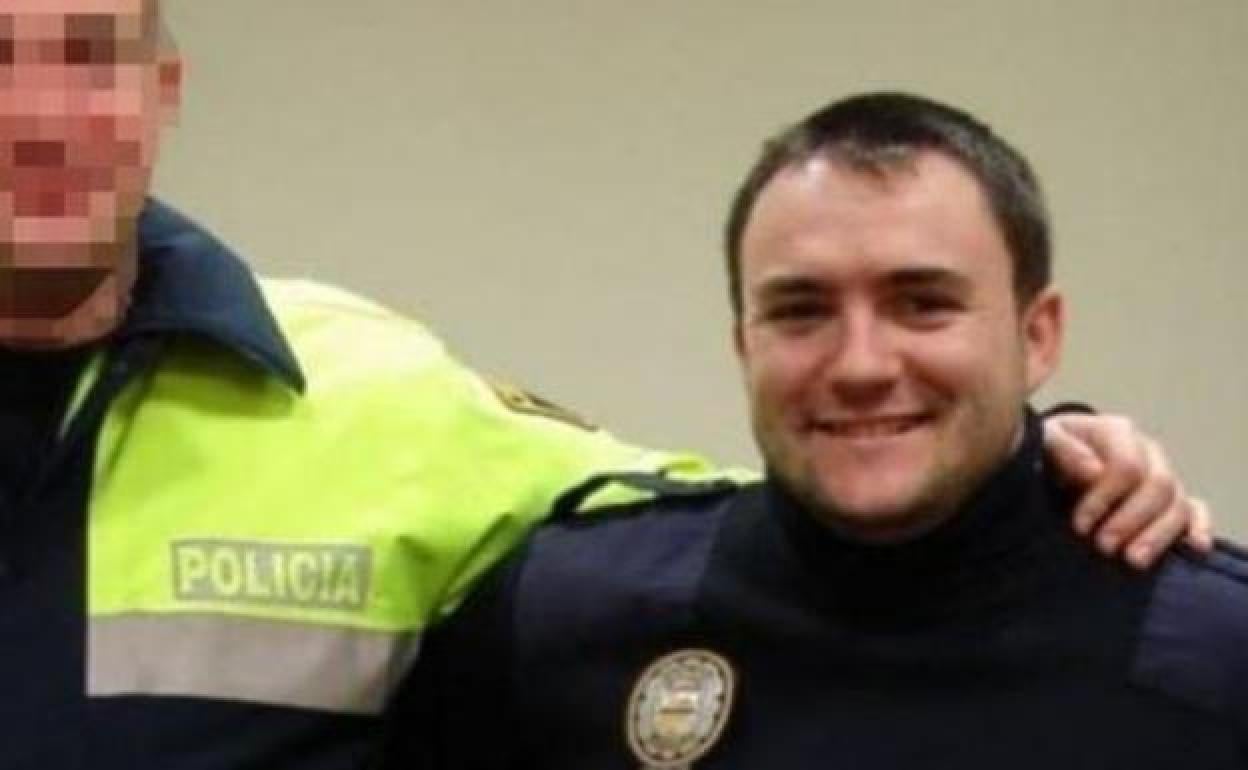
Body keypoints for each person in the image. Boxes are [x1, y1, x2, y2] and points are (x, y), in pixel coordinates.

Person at [0, 3, 1213, 767]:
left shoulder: (357, 392)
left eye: (86, 59)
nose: (39, 117)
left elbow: (803, 503)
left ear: (161, 94)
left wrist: (1046, 454)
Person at [407, 92, 1247, 769]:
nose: (860, 365)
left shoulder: (1218, 652)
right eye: (801, 311)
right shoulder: (559, 619)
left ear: (1038, 336)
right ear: (744, 344)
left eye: (923, 304)